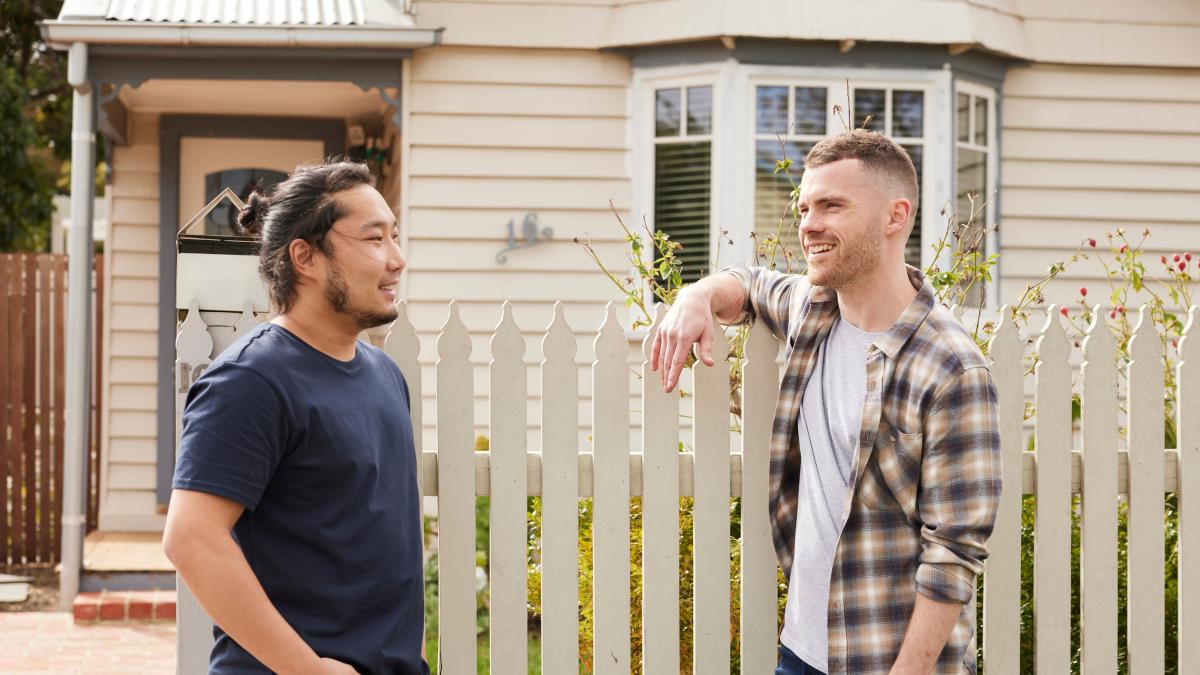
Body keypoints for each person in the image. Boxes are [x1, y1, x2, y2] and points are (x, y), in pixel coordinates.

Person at [651, 130, 1002, 674]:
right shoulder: (812, 310)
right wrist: (693, 296)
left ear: (895, 216)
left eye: (832, 206)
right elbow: (745, 282)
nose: (809, 224)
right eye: (806, 206)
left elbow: (953, 554)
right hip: (801, 653)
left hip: (890, 662)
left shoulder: (952, 367)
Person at [163, 160, 427, 674]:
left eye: (395, 237)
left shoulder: (383, 374)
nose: (396, 259)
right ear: (305, 256)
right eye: (374, 240)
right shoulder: (250, 381)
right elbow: (192, 538)